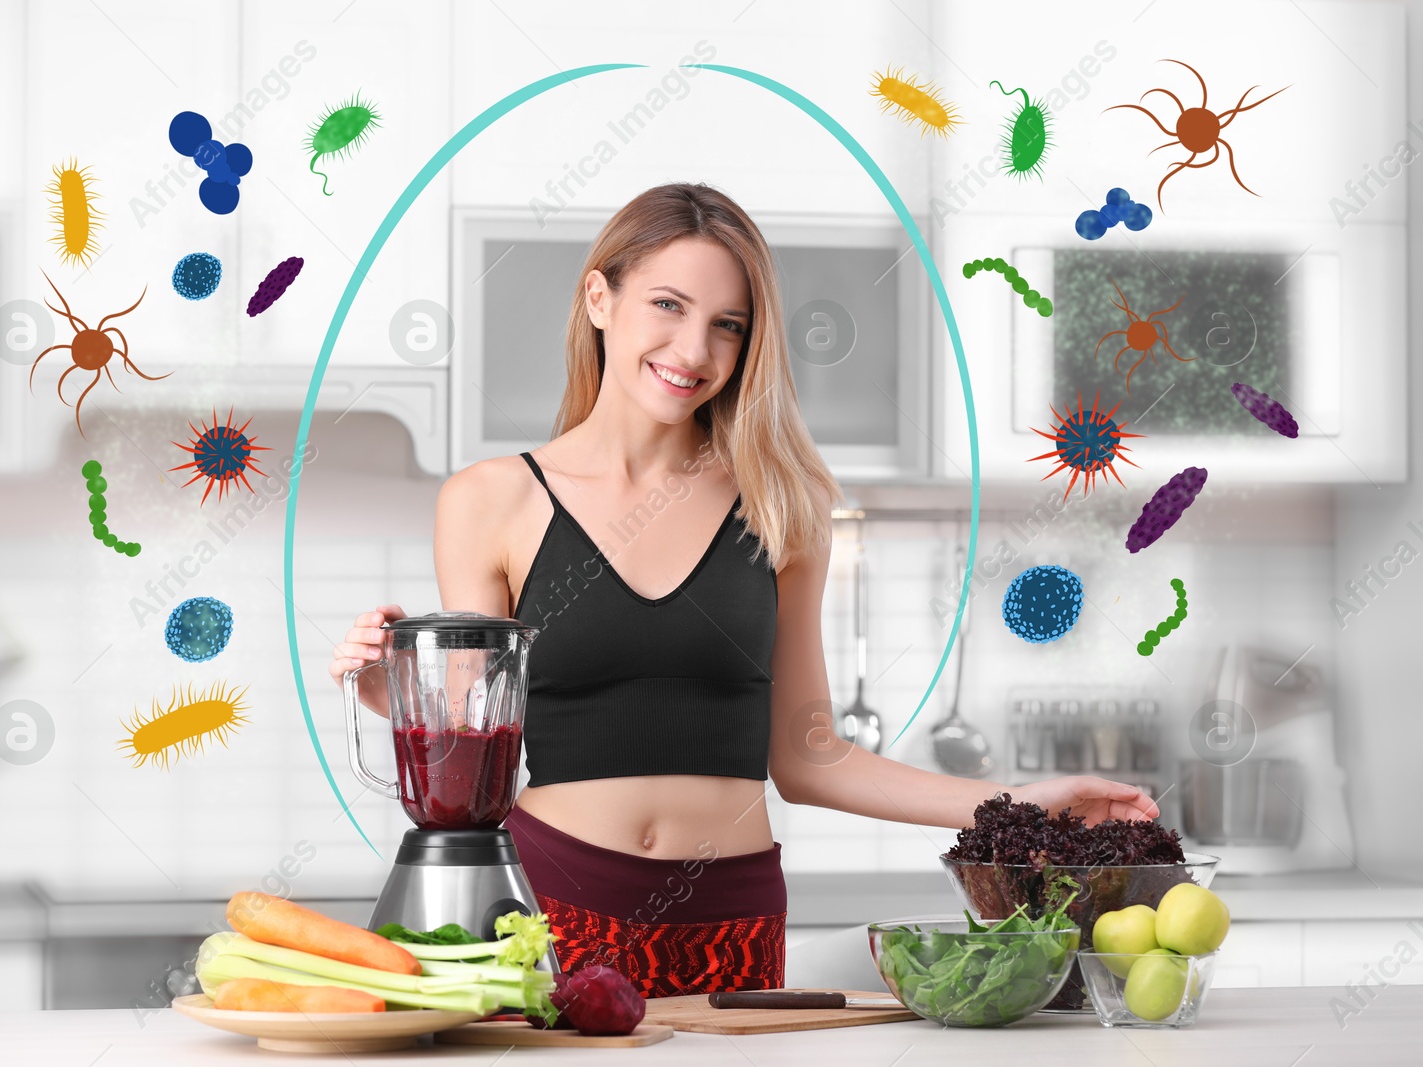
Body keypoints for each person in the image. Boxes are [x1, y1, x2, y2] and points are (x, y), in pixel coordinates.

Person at [330, 182, 1158, 998]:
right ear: (598, 297)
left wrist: (1027, 804)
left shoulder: (784, 503)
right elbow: (476, 745)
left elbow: (808, 756)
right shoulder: (488, 500)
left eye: (727, 325)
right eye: (667, 305)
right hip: (552, 905)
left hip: (730, 918)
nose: (693, 350)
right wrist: (392, 692)